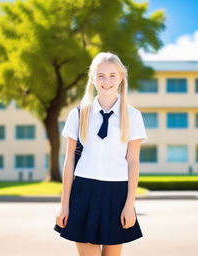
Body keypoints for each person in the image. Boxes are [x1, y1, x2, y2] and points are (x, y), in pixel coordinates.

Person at [54, 52, 148, 256]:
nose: (107, 81)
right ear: (92, 78)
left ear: (121, 77)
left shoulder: (133, 116)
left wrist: (130, 204)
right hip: (83, 192)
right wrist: (64, 205)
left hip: (117, 194)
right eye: (101, 75)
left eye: (112, 75)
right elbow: (69, 160)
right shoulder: (78, 114)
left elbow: (133, 162)